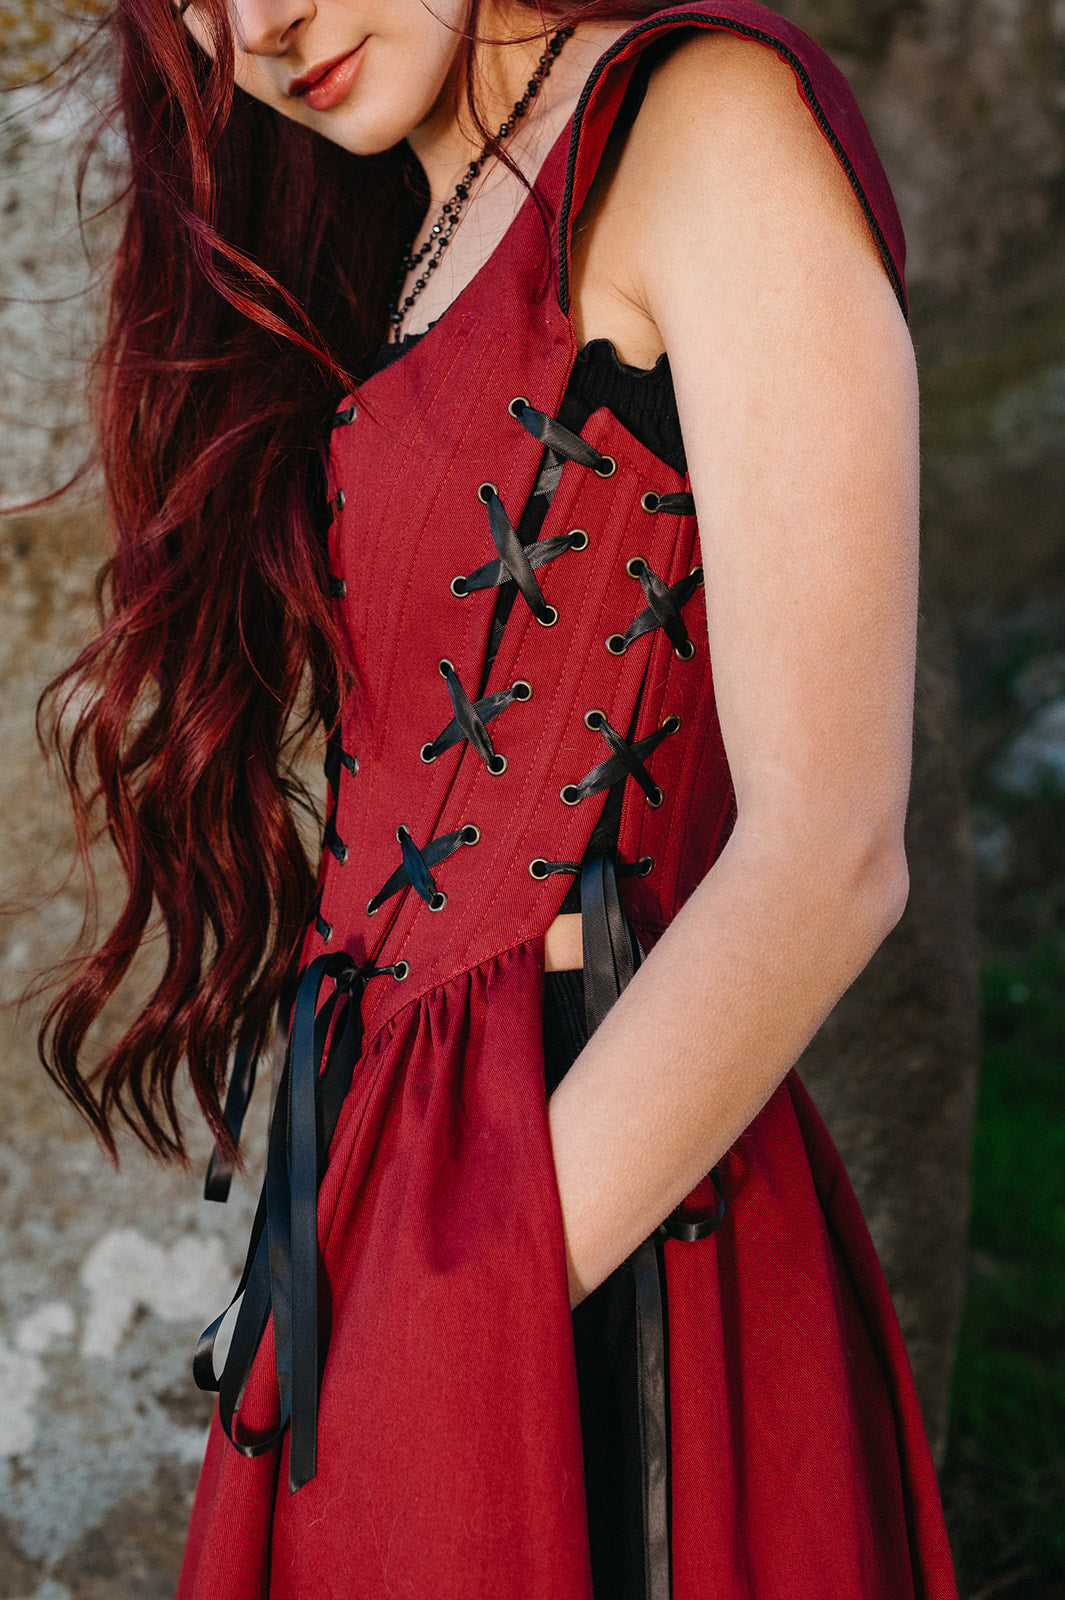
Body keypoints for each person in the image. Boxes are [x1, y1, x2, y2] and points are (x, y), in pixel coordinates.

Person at [36, 0, 960, 1592]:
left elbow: (829, 851)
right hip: (384, 1211)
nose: (258, 28)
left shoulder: (698, 122)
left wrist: (454, 1310)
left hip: (588, 1230)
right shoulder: (426, 222)